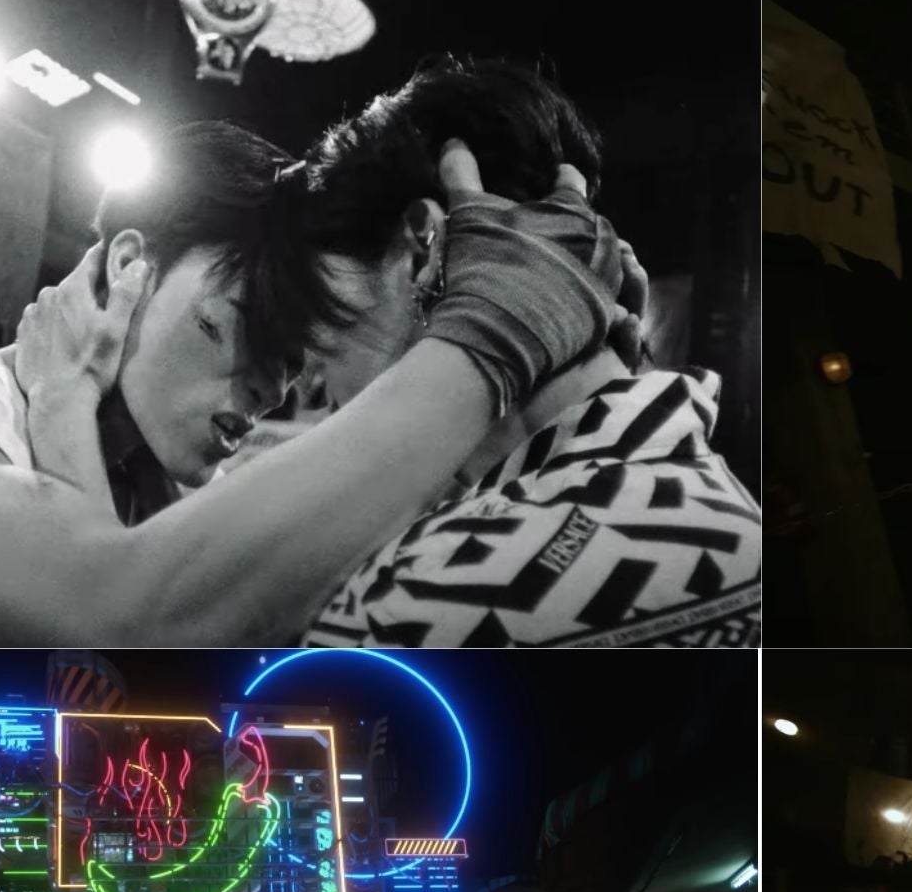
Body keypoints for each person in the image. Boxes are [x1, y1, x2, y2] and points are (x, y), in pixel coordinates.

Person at [0, 108, 632, 646]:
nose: (268, 391)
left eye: (289, 366)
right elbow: (101, 631)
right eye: (242, 327)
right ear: (128, 270)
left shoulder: (170, 493)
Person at [285, 58, 760, 648]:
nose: (308, 377)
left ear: (421, 249)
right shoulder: (707, 503)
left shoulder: (416, 604)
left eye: (320, 314)